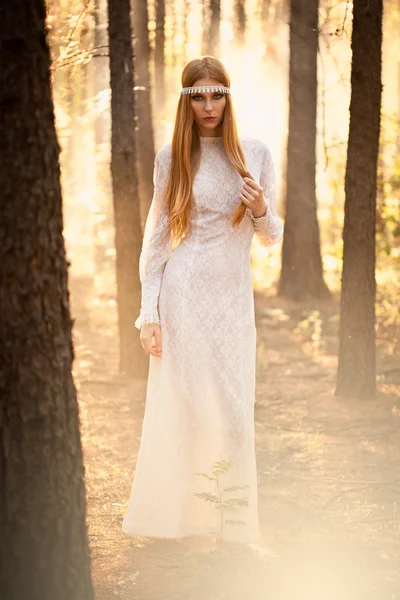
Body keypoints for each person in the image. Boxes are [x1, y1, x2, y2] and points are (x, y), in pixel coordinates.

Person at [122, 56, 283, 547]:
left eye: (217, 95)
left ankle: (230, 522)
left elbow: (272, 237)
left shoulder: (254, 152)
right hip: (184, 293)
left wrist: (259, 208)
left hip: (233, 300)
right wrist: (148, 315)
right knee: (192, 408)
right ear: (186, 102)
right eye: (199, 97)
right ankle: (191, 525)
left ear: (228, 98)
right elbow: (156, 240)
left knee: (233, 410)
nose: (209, 105)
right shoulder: (173, 156)